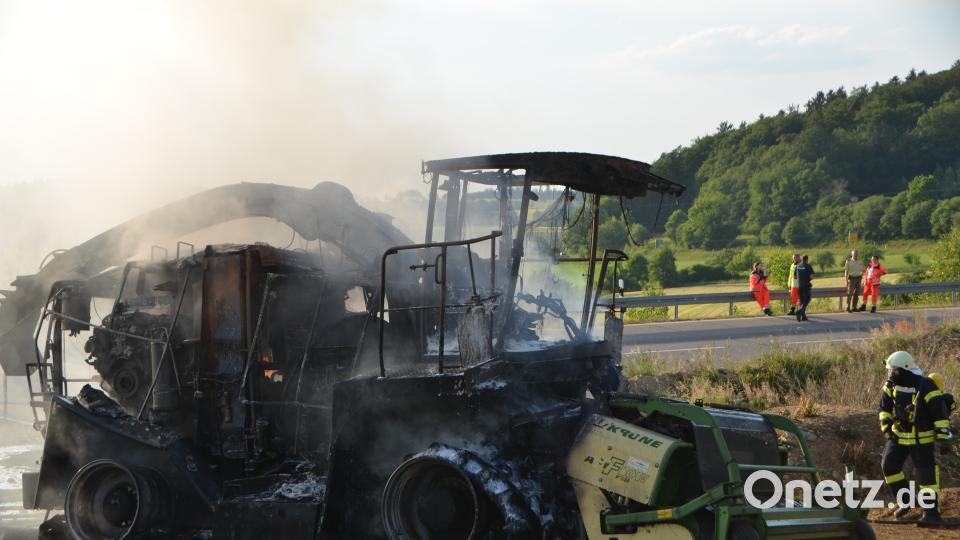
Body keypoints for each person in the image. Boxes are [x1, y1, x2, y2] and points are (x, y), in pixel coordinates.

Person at [879, 351, 952, 524]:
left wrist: (943, 436)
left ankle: (931, 513)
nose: (891, 374)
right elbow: (884, 408)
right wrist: (886, 427)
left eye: (894, 371)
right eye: (890, 371)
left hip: (922, 439)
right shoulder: (890, 386)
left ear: (905, 369)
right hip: (899, 436)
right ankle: (906, 501)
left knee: (926, 476)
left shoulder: (926, 386)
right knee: (889, 466)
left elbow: (939, 413)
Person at [794, 254, 814, 322]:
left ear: (802, 259)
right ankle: (799, 311)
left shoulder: (798, 266)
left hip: (799, 286)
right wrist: (808, 279)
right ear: (807, 259)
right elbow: (811, 276)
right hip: (806, 286)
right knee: (807, 300)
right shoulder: (808, 266)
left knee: (802, 301)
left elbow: (795, 277)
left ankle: (803, 316)